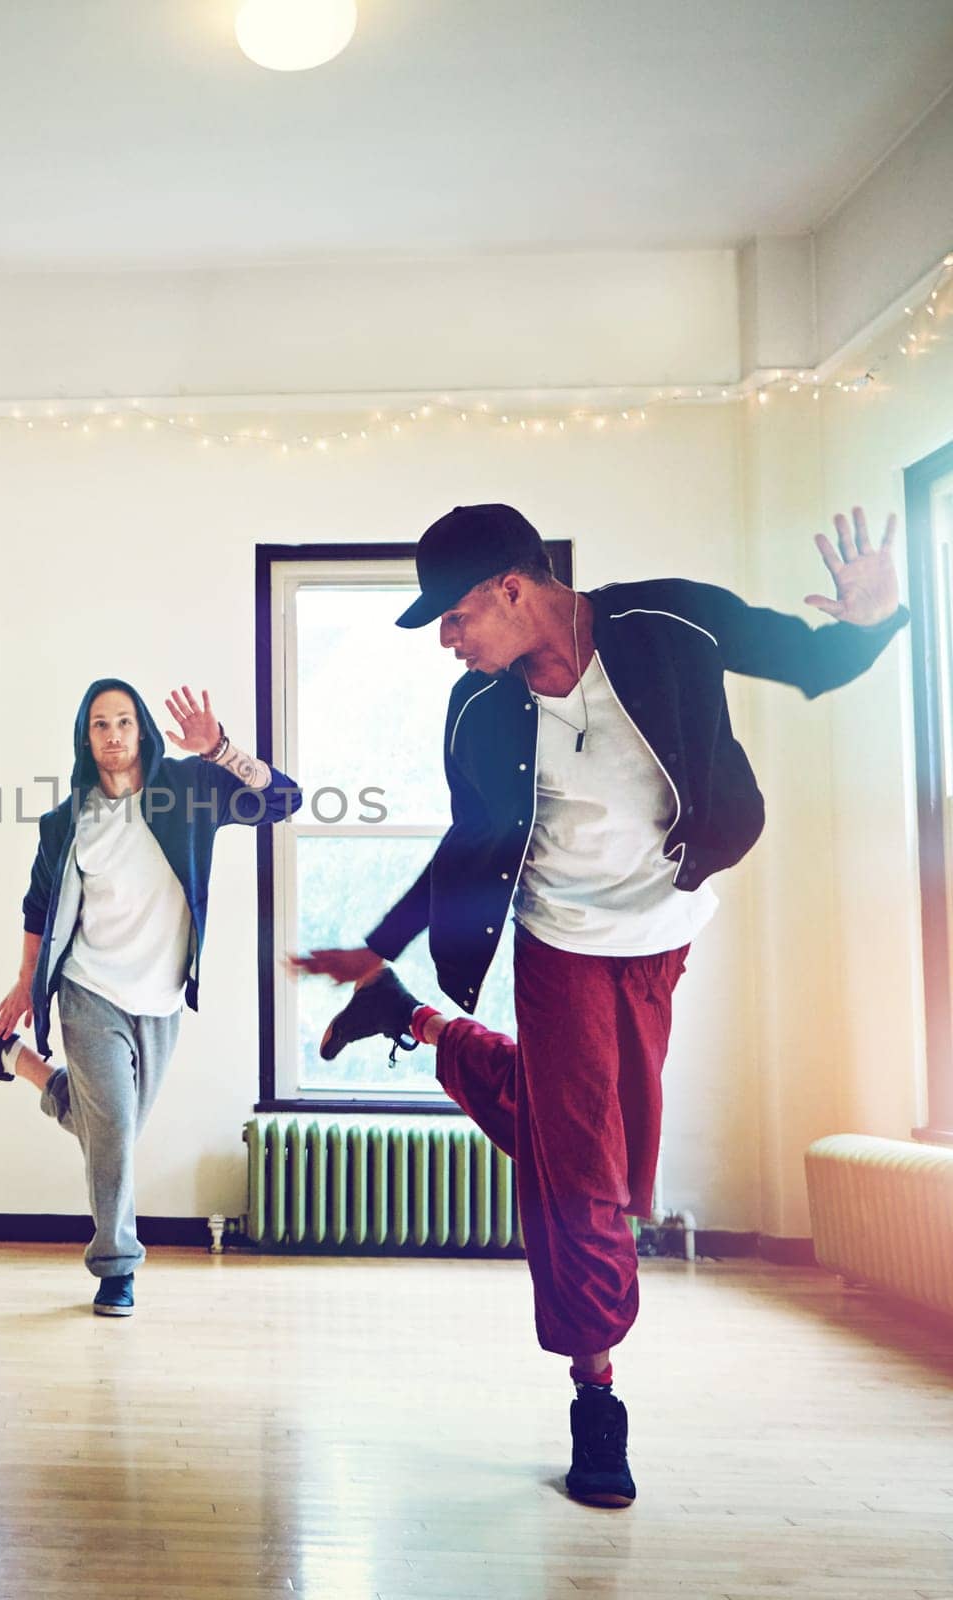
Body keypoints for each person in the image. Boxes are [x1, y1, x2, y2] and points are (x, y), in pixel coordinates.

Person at [292, 503, 905, 1508]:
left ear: (510, 588)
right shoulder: (479, 711)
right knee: (587, 1182)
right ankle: (596, 1392)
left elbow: (810, 660)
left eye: (451, 619)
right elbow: (469, 848)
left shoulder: (668, 625)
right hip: (559, 946)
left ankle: (414, 1025)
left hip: (663, 935)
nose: (447, 644)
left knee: (593, 1147)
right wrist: (379, 939)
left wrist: (873, 620)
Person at [0, 680, 301, 1314]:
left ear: (141, 729)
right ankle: (117, 1266)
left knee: (112, 1130)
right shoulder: (67, 822)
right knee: (112, 1132)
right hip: (89, 990)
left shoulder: (191, 790)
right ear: (86, 740)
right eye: (99, 725)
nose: (113, 735)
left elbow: (283, 801)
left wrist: (221, 749)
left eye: (122, 722)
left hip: (162, 997)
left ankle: (14, 1064)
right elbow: (39, 905)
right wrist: (25, 981)